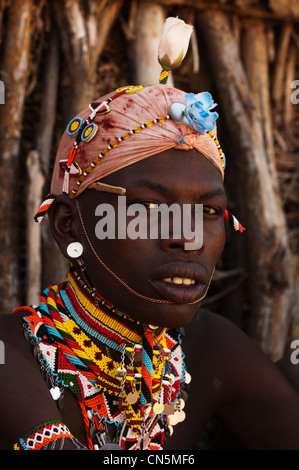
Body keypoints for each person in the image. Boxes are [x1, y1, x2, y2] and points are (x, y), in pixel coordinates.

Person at [1, 83, 299, 451]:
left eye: (207, 211)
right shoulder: (10, 359)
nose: (188, 237)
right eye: (150, 208)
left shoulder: (209, 347)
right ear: (68, 225)